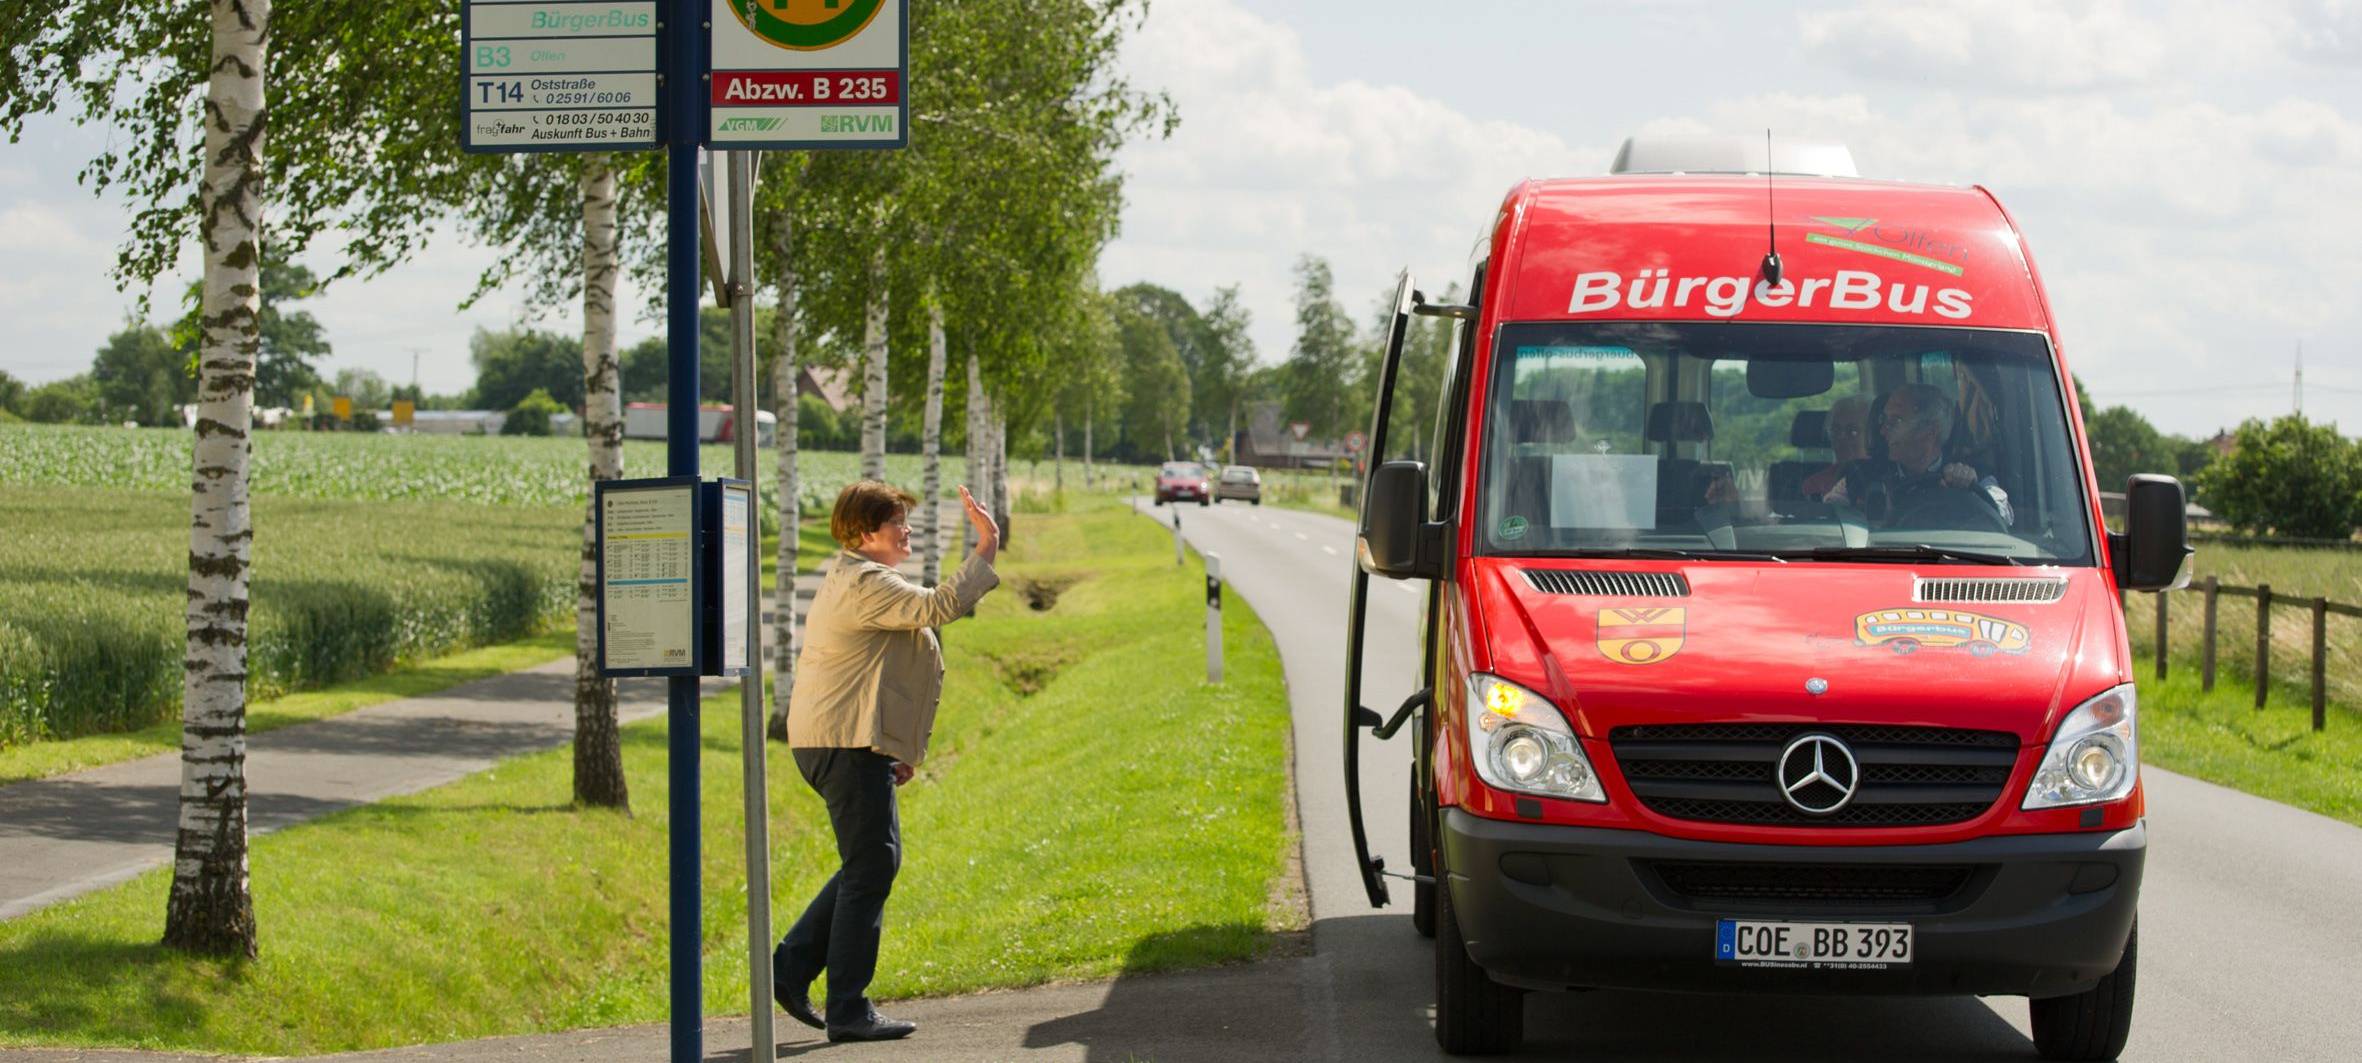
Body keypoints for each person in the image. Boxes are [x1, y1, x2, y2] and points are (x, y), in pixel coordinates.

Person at [774, 481, 1001, 1043]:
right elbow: (939, 606)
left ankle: (794, 967)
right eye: (895, 521)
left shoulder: (861, 578)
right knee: (872, 865)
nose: (907, 530)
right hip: (842, 742)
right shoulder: (867, 581)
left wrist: (894, 746)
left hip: (847, 739)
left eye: (905, 519)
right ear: (860, 532)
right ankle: (846, 1010)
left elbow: (881, 668)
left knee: (871, 863)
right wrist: (986, 545)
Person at [1826, 383, 2013, 528]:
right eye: (1884, 420)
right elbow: (1828, 516)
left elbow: (2005, 515)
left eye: (1895, 421)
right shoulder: (1860, 475)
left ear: (1929, 431)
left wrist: (1971, 490)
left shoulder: (1972, 474)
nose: (1882, 430)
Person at [1801, 395, 1869, 500]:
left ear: (1871, 436)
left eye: (1852, 431)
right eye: (1835, 430)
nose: (1841, 438)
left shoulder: (1888, 482)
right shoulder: (1816, 484)